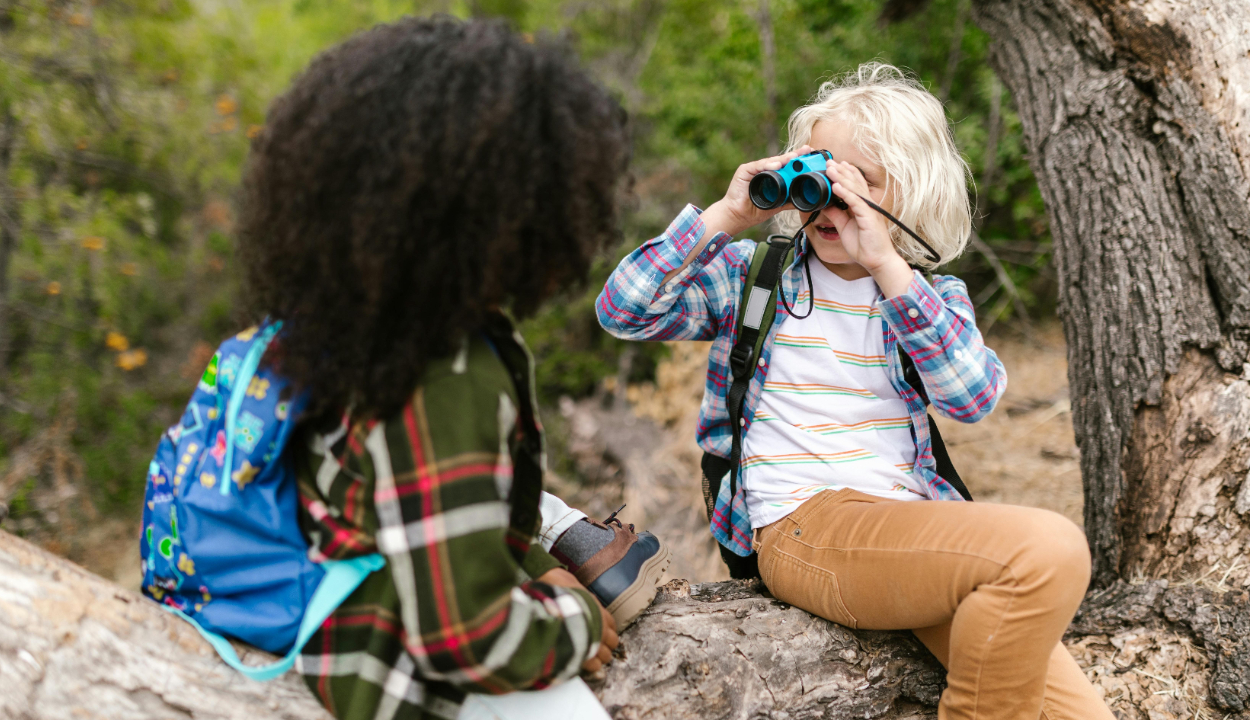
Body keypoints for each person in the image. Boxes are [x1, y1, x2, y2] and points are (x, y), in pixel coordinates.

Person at [596, 63, 1114, 720]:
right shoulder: (753, 279)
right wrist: (728, 214)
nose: (829, 202)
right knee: (1048, 550)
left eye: (856, 183)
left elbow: (973, 397)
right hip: (803, 526)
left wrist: (886, 263)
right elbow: (623, 310)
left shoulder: (926, 295)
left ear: (912, 192)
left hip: (908, 532)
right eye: (818, 175)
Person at [237, 17, 668, 720]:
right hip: (393, 682)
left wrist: (538, 568)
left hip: (325, 628)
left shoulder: (347, 323)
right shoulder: (449, 375)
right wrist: (573, 624)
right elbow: (464, 639)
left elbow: (417, 515)